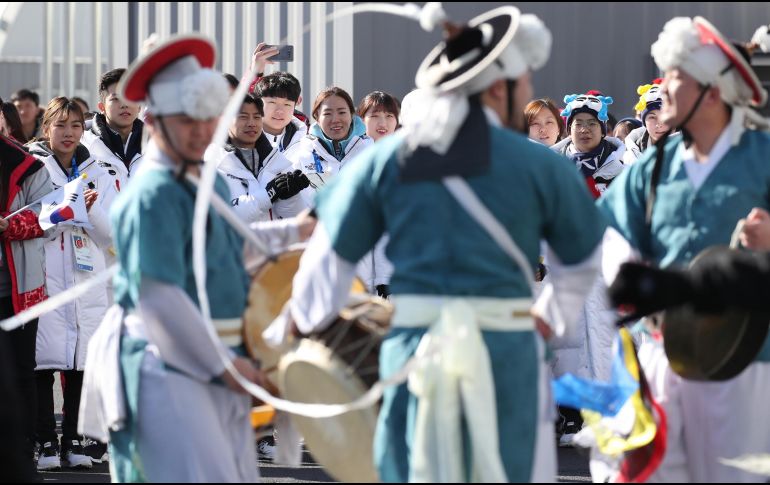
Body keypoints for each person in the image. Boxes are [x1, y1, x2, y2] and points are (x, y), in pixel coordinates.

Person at [268, 7, 606, 482]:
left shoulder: (384, 160)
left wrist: (298, 343)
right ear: (497, 87)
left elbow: (326, 262)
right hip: (508, 349)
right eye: (525, 81)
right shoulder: (541, 165)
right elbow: (583, 259)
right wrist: (545, 319)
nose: (529, 90)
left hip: (414, 349)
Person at [77, 33, 314, 482]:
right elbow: (160, 299)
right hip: (164, 363)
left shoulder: (206, 179)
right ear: (156, 123)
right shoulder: (151, 194)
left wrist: (297, 230)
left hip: (213, 355)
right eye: (188, 120)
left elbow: (227, 247)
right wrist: (226, 366)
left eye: (207, 118)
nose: (202, 130)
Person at [598, 17, 770, 482]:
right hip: (662, 354)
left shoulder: (763, 156)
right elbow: (607, 234)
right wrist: (625, 273)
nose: (662, 89)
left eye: (674, 77)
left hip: (745, 360)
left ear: (711, 93)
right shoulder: (654, 165)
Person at [27, 97, 112, 470]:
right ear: (46, 128)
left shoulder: (97, 169)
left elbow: (111, 235)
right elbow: (29, 226)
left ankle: (74, 440)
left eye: (76, 125)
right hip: (46, 277)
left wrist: (91, 211)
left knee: (82, 363)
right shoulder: (33, 168)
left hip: (85, 277)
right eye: (60, 125)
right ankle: (45, 440)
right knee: (42, 363)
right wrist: (65, 211)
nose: (69, 133)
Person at [0, 97, 53, 480]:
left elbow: (50, 214)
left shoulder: (27, 163)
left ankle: (24, 453)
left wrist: (10, 225)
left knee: (21, 374)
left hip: (17, 291)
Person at [206, 93, 308, 223]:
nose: (251, 123)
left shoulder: (277, 161)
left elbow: (297, 221)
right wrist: (268, 195)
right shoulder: (210, 164)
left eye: (257, 117)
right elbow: (219, 217)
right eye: (243, 117)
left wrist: (291, 197)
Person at [284, 86, 372, 207]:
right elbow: (287, 207)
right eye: (327, 113)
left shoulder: (371, 152)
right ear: (317, 117)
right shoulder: (300, 153)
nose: (335, 119)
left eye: (342, 112)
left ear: (351, 114)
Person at [551, 92, 626, 197]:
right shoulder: (553, 164)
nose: (584, 130)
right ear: (569, 131)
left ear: (603, 131)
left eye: (592, 124)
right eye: (578, 124)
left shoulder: (622, 167)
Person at [254, 71, 308, 151]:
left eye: (287, 104)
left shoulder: (307, 144)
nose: (279, 111)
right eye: (272, 102)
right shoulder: (241, 141)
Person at [622, 79, 670, 164]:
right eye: (652, 117)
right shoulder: (629, 152)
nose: (659, 124)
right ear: (644, 122)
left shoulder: (689, 149)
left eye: (663, 115)